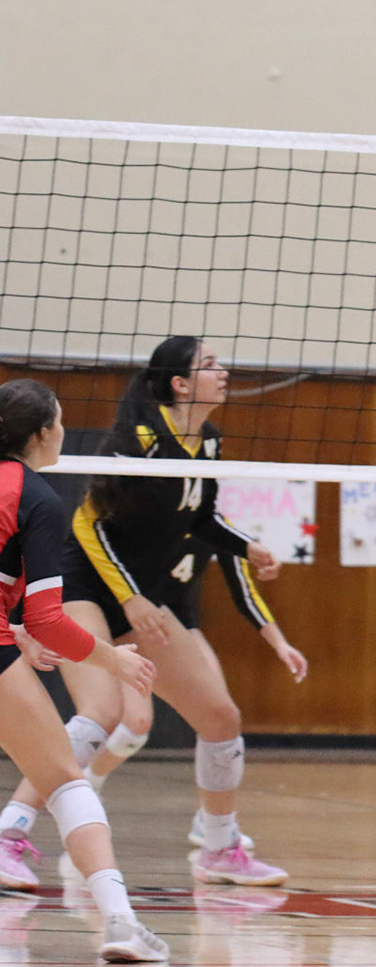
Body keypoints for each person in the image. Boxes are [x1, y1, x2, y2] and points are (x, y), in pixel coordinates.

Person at [0, 337, 288, 888]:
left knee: (220, 716)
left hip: (141, 596)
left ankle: (219, 848)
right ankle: (9, 835)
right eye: (210, 365)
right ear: (180, 383)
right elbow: (89, 523)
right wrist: (129, 596)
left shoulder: (208, 441)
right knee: (102, 711)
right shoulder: (140, 440)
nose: (223, 372)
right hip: (87, 585)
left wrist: (246, 546)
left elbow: (200, 517)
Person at [0, 379, 169, 960]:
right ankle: (120, 922)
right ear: (42, 432)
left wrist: (16, 630)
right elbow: (50, 620)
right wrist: (112, 658)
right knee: (68, 785)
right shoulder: (39, 499)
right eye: (61, 420)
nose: (65, 430)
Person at [80, 540, 308, 847]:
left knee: (220, 718)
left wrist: (280, 644)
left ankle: (210, 820)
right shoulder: (143, 522)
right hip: (133, 624)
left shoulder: (213, 525)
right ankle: (89, 783)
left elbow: (243, 589)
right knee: (136, 726)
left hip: (182, 625)